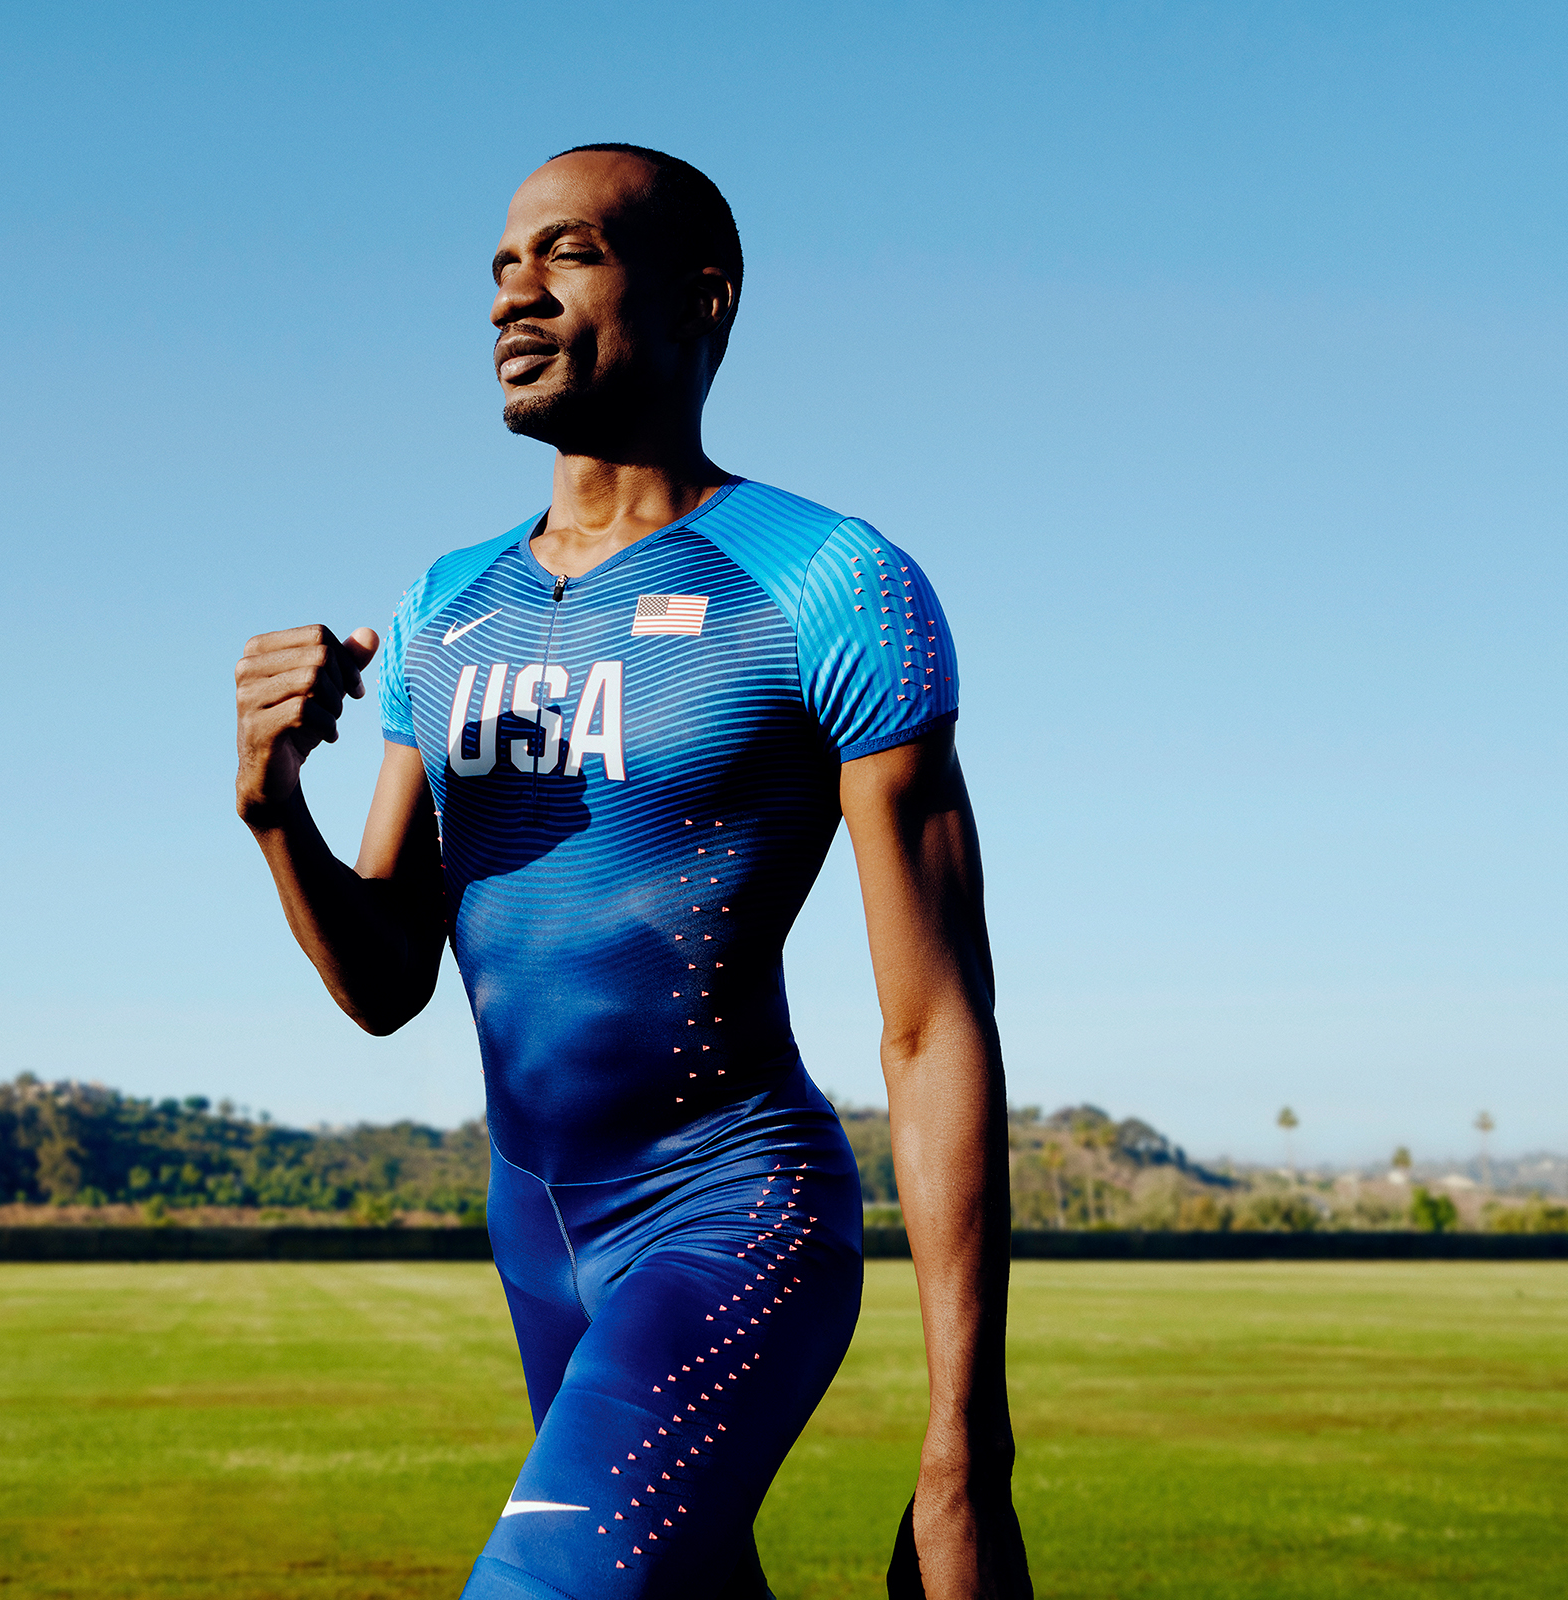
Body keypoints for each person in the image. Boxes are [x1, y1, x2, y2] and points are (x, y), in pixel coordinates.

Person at [233, 144, 1030, 1600]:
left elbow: (931, 1030)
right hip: (531, 1224)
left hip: (728, 1212)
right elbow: (384, 983)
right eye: (496, 266)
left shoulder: (831, 583)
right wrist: (274, 808)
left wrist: (964, 1443)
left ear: (699, 301)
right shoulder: (440, 607)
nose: (510, 296)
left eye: (567, 253)